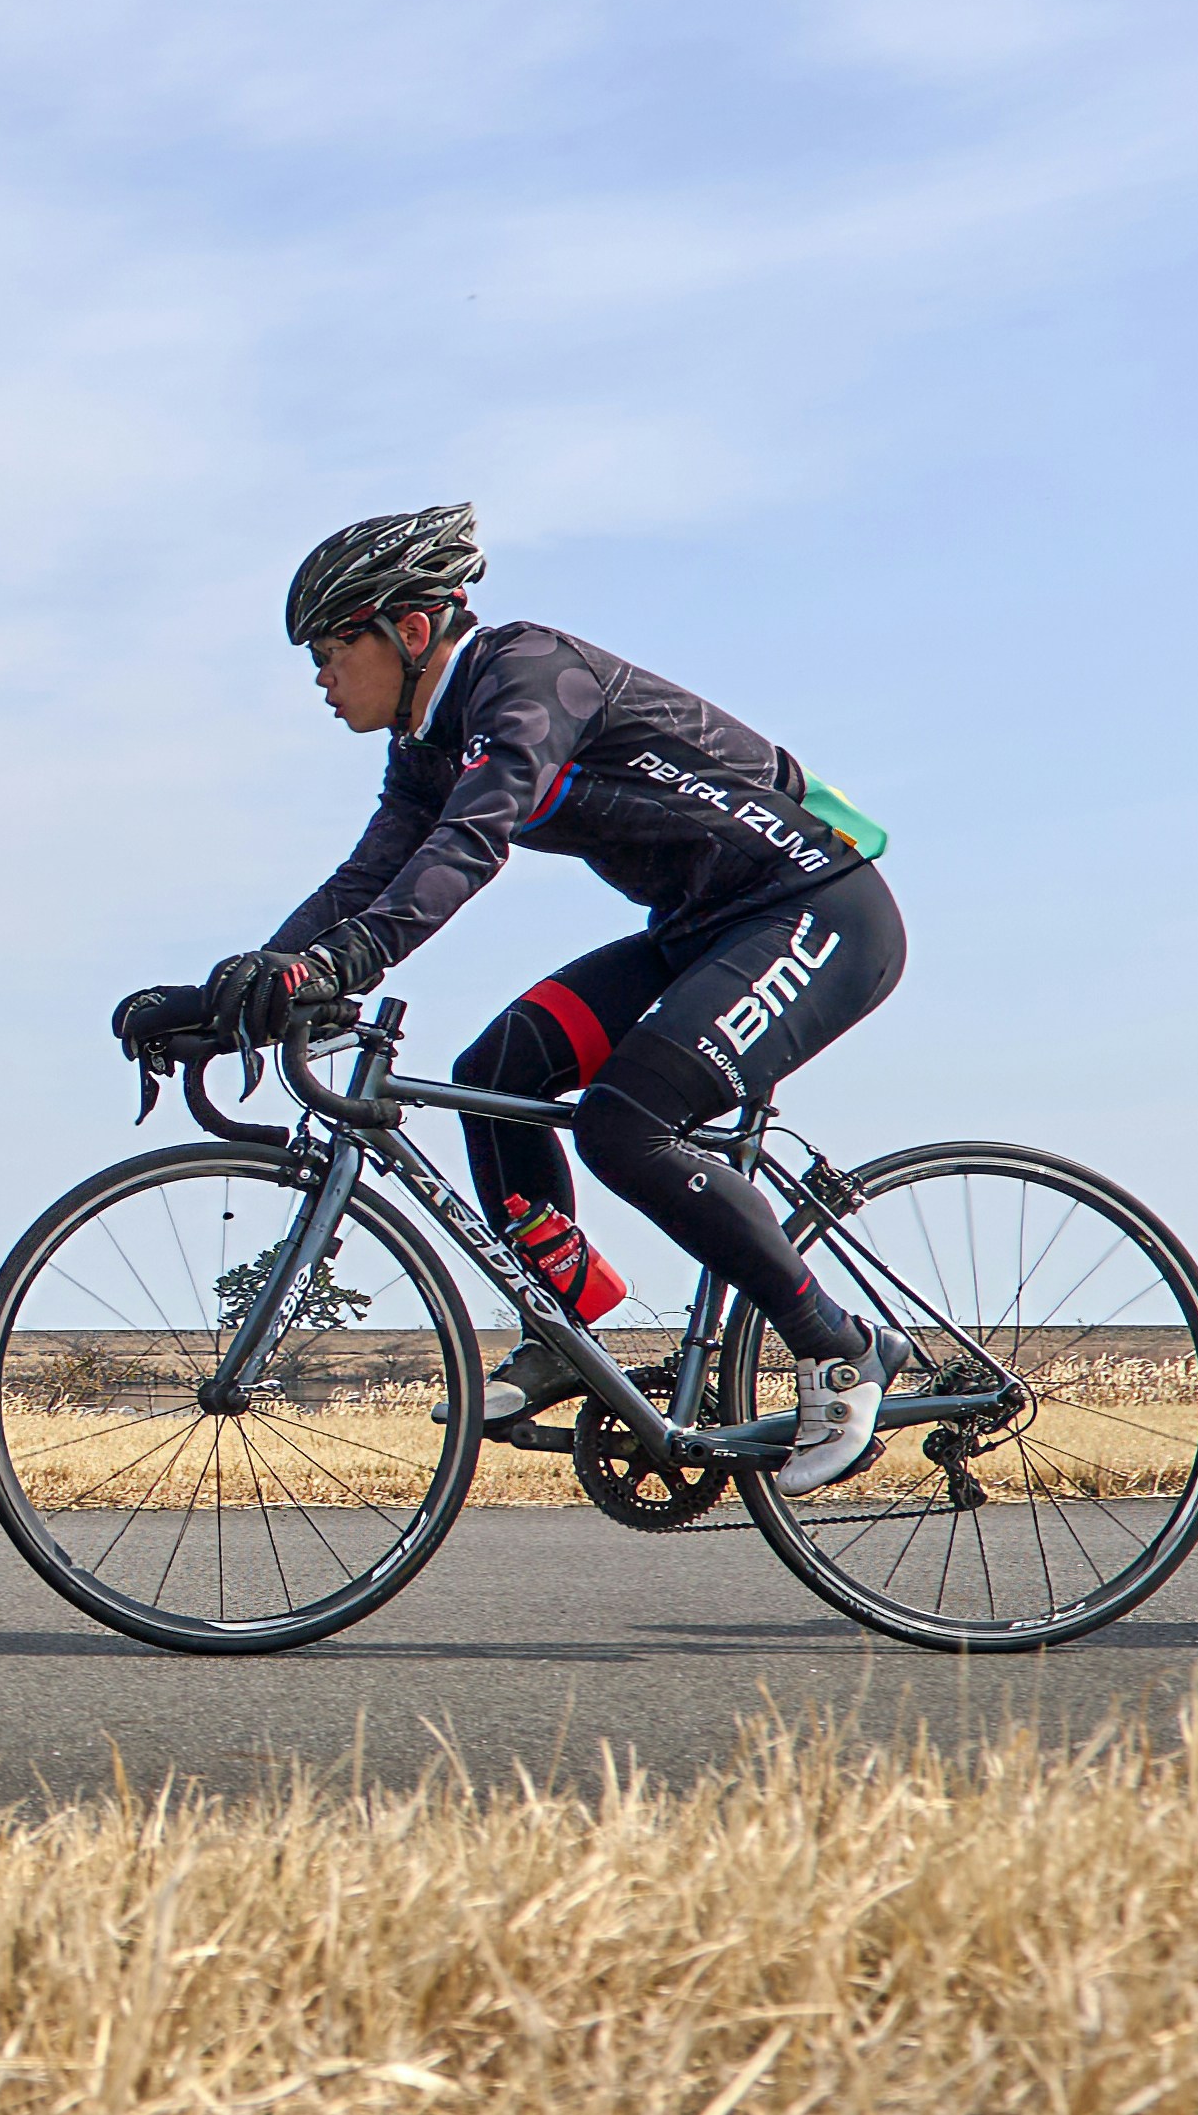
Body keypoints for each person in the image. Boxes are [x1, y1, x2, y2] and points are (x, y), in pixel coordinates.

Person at [123, 504, 901, 1491]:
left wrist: (339, 965)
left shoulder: (527, 675)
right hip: (700, 929)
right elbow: (362, 880)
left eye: (329, 646)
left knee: (625, 1123)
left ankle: (838, 1345)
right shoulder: (425, 747)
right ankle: (564, 1327)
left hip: (814, 910)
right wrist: (230, 996)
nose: (317, 675)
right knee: (497, 1070)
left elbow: (469, 843)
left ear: (408, 631)